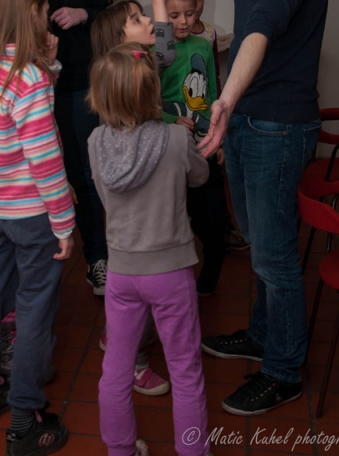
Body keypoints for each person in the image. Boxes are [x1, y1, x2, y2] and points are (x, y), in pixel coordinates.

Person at [199, 0, 329, 416]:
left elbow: (260, 29)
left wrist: (224, 102)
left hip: (278, 123)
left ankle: (283, 371)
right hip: (250, 116)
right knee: (258, 246)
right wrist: (232, 106)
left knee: (275, 257)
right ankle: (261, 334)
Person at [0, 0, 75, 455]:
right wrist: (64, 222)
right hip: (32, 213)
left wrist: (47, 66)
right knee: (33, 309)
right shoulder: (29, 77)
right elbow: (44, 159)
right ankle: (25, 418)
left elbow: (4, 125)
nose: (47, 15)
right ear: (29, 14)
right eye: (43, 9)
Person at [87, 43, 212, 456]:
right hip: (171, 272)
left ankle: (120, 450)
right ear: (153, 92)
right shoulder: (176, 139)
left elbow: (105, 196)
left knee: (116, 369)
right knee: (185, 370)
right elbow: (200, 176)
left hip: (122, 270)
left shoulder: (95, 142)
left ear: (100, 95)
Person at [7, 0, 109, 295]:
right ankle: (35, 268)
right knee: (33, 177)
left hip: (78, 80)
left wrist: (84, 14)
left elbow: (105, 8)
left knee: (85, 174)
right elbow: (2, 3)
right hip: (29, 85)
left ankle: (97, 258)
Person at [91, 0, 175, 397]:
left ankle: (118, 336)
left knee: (129, 287)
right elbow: (167, 45)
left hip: (129, 216)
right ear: (119, 41)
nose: (149, 23)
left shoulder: (134, 69)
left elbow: (166, 43)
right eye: (137, 20)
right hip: (140, 213)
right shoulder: (136, 70)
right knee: (138, 289)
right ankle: (136, 362)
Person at [158, 0, 226, 297]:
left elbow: (212, 93)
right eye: (174, 16)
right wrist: (171, 119)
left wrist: (217, 135)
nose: (184, 21)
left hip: (203, 146)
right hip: (168, 150)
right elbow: (145, 102)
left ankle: (209, 279)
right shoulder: (157, 51)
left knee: (212, 218)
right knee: (173, 219)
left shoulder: (203, 45)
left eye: (189, 13)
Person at [176, 0, 249, 255]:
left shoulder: (207, 35)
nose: (194, 6)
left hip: (204, 123)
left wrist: (218, 127)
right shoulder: (164, 42)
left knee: (211, 183)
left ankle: (220, 232)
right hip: (176, 126)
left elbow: (212, 81)